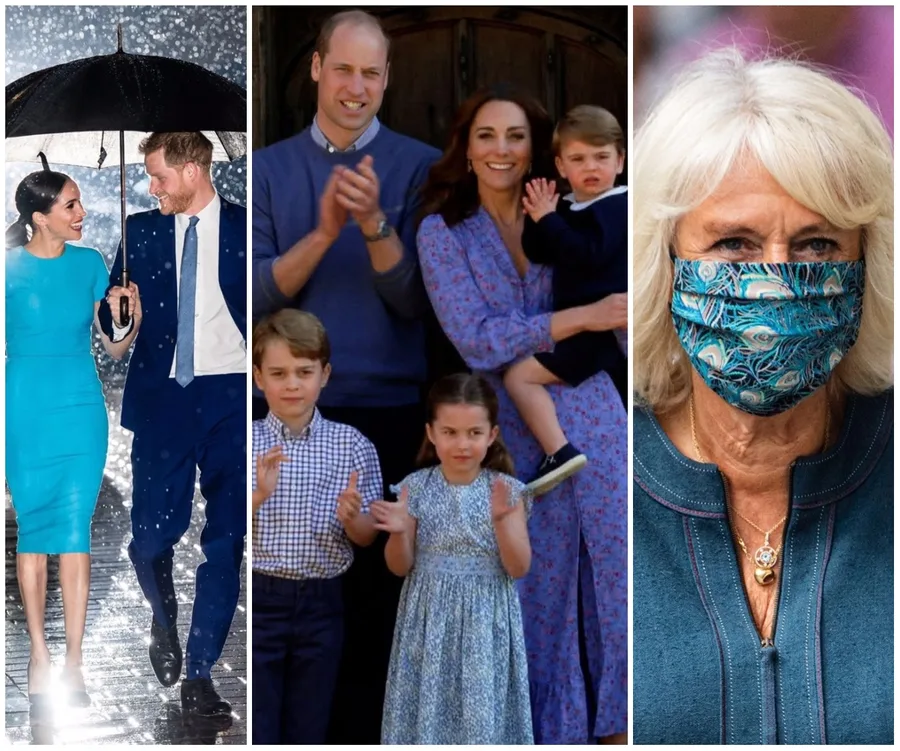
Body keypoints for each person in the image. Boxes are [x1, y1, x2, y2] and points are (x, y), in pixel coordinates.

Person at [632, 50, 893, 744]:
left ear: (868, 263)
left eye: (815, 245)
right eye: (734, 245)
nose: (775, 280)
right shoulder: (613, 473)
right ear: (664, 260)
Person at [416, 84, 629, 744]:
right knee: (532, 588)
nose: (502, 149)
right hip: (505, 425)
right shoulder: (441, 231)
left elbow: (625, 296)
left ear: (539, 150)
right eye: (487, 135)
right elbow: (476, 337)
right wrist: (582, 318)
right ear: (467, 148)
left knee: (616, 571)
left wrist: (601, 322)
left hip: (592, 402)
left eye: (515, 136)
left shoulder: (574, 210)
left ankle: (626, 725)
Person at [252, 9, 440, 741]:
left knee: (376, 606)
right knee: (292, 594)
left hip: (389, 407)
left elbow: (417, 299)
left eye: (371, 72)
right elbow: (265, 294)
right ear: (315, 69)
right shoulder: (271, 168)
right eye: (343, 69)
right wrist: (327, 228)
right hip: (289, 408)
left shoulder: (419, 166)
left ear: (388, 78)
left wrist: (374, 226)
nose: (356, 86)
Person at [98, 131, 246, 719]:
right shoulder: (139, 232)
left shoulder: (246, 227)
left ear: (192, 170)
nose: (150, 187)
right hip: (163, 402)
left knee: (225, 542)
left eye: (159, 176)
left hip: (232, 399)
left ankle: (202, 673)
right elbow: (116, 341)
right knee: (150, 540)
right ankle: (164, 621)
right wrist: (118, 319)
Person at [6, 169, 140, 709]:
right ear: (40, 218)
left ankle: (75, 663)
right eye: (70, 206)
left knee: (75, 529)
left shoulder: (91, 264)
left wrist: (123, 317)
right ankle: (39, 653)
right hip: (24, 408)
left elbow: (113, 350)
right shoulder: (7, 268)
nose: (81, 214)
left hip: (81, 408)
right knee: (36, 531)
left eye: (80, 203)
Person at [371, 373, 533, 744]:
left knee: (480, 717)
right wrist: (398, 530)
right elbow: (399, 566)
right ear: (431, 433)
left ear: (491, 435)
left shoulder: (506, 491)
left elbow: (518, 567)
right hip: (429, 621)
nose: (462, 443)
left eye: (474, 433)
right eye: (450, 432)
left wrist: (504, 521)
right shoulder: (415, 487)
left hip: (485, 621)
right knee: (428, 709)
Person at [250, 309, 381, 744]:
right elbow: (226, 529)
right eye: (279, 372)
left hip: (323, 604)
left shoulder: (353, 445)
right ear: (257, 377)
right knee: (260, 721)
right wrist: (257, 496)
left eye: (304, 372)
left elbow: (366, 537)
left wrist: (353, 519)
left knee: (310, 722)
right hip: (260, 595)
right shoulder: (245, 441)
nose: (292, 384)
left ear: (324, 375)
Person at [506, 105, 629, 495]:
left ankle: (559, 451)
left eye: (602, 157)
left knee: (519, 376)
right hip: (584, 328)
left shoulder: (617, 205)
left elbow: (586, 254)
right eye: (578, 159)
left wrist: (549, 218)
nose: (591, 167)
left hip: (602, 332)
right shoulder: (570, 207)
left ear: (620, 160)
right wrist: (542, 214)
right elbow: (540, 249)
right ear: (561, 166)